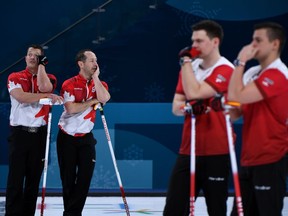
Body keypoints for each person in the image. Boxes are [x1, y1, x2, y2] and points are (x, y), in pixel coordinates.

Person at [163, 20, 235, 216]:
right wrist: (189, 108)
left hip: (216, 150)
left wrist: (186, 62)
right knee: (174, 209)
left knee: (216, 208)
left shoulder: (226, 69)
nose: (193, 46)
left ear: (215, 42)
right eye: (192, 41)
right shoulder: (191, 68)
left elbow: (194, 92)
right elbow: (176, 107)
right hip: (189, 149)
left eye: (199, 41)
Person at [228, 22, 288, 216]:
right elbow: (236, 108)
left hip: (271, 158)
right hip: (249, 158)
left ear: (275, 44)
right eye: (252, 39)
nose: (252, 45)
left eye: (258, 40)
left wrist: (240, 61)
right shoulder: (253, 74)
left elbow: (237, 96)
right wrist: (227, 108)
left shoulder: (278, 75)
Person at [5, 44, 63, 216]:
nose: (31, 57)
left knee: (33, 178)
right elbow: (21, 97)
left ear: (41, 60)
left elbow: (46, 88)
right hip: (20, 133)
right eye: (29, 54)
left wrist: (42, 68)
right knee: (16, 178)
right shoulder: (14, 77)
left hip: (40, 134)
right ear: (25, 58)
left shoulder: (50, 77)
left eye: (36, 56)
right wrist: (45, 97)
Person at [57, 49, 110, 216]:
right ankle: (71, 213)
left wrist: (95, 77)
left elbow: (105, 98)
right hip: (67, 138)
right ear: (81, 64)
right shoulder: (69, 84)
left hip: (86, 138)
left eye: (96, 60)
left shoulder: (100, 84)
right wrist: (93, 101)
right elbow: (71, 108)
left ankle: (72, 213)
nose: (96, 64)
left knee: (84, 179)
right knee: (68, 179)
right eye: (91, 61)